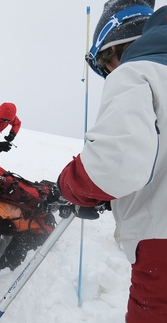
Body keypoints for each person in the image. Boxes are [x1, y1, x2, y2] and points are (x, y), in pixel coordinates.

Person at [55, 1, 167, 322]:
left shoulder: (136, 71)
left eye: (105, 68)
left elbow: (115, 163)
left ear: (115, 49)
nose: (108, 76)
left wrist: (71, 185)